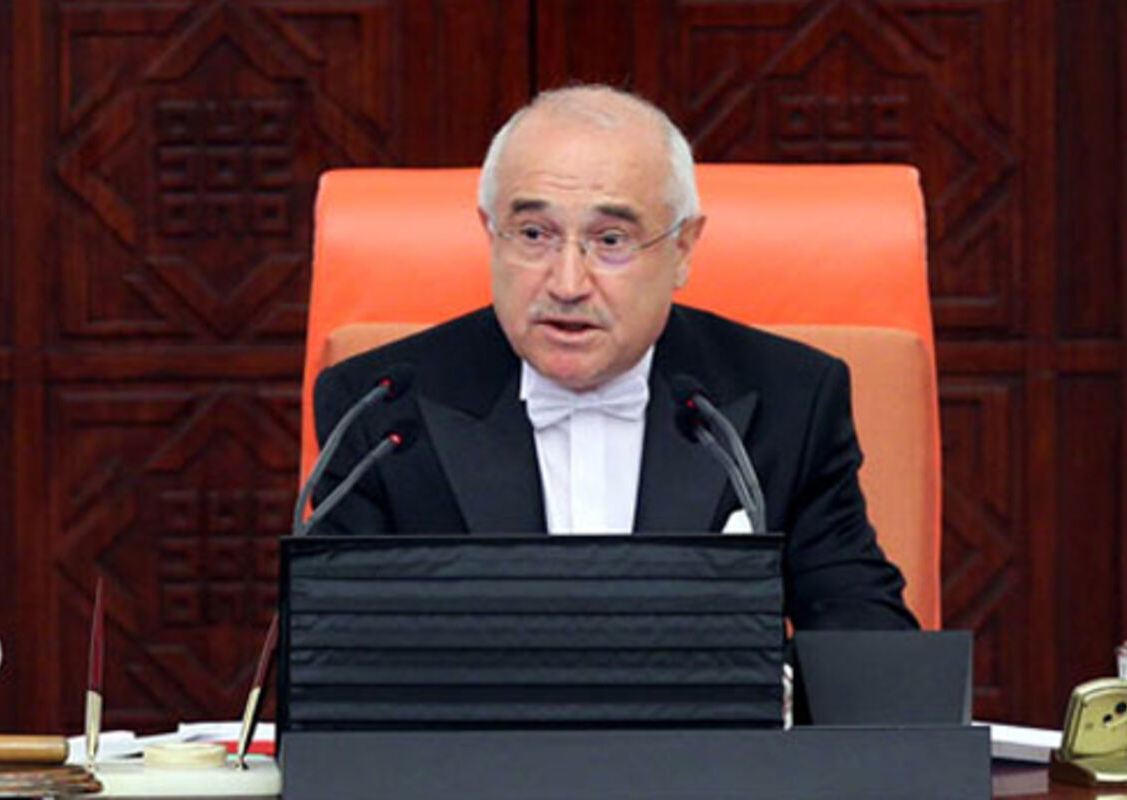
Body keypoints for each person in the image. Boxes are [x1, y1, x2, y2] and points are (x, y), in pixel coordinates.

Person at [312, 85, 917, 630]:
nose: (567, 283)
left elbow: (866, 653)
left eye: (610, 240)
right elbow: (329, 664)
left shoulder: (791, 402)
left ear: (683, 249)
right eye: (534, 234)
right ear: (489, 233)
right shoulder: (381, 413)